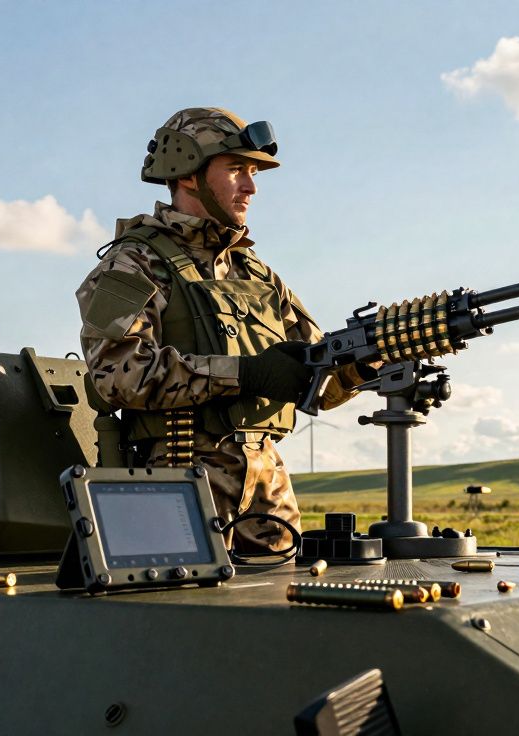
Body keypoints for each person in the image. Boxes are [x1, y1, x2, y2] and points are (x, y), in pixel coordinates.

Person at [75, 107, 368, 554]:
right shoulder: (133, 263)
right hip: (178, 485)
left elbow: (318, 383)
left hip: (269, 491)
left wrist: (364, 364)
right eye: (236, 170)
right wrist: (244, 374)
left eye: (253, 172)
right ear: (187, 174)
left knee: (280, 613)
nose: (251, 186)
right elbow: (118, 376)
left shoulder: (257, 274)